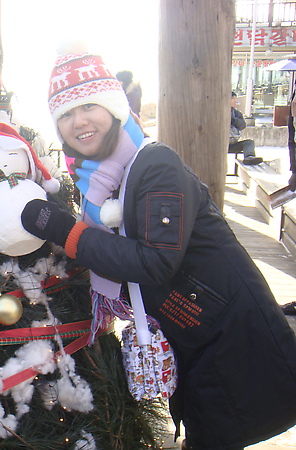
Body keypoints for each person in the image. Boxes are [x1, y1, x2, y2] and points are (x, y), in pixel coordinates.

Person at [20, 52, 296, 450]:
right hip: (194, 329)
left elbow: (156, 260)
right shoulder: (101, 179)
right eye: (65, 114)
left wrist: (65, 230)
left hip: (230, 336)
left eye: (88, 106)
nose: (78, 121)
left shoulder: (155, 164)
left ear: (114, 108)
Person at [229, 91, 262, 165]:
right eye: (232, 98)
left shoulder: (236, 113)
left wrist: (233, 119)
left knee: (249, 142)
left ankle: (249, 157)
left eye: (235, 98)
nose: (235, 101)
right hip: (218, 144)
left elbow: (242, 126)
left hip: (231, 144)